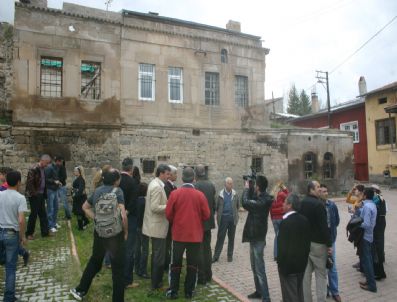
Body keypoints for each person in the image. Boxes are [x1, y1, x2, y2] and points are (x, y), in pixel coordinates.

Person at [70, 169, 128, 301]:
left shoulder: (97, 191)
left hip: (100, 233)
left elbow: (85, 207)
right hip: (115, 235)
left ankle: (80, 290)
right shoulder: (118, 192)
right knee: (118, 269)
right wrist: (126, 232)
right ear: (116, 180)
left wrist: (96, 218)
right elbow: (123, 216)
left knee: (95, 261)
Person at [165, 167, 210, 299]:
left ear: (182, 178)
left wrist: (177, 221)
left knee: (175, 263)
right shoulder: (200, 195)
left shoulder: (175, 194)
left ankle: (173, 290)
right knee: (192, 264)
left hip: (179, 235)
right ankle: (189, 291)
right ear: (194, 179)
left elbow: (168, 214)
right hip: (195, 236)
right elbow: (207, 214)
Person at [242, 175, 273, 302]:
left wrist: (245, 188)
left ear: (258, 187)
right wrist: (251, 186)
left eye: (255, 185)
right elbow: (251, 198)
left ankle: (266, 297)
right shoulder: (261, 197)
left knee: (259, 269)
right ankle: (259, 291)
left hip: (258, 238)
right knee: (254, 267)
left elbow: (245, 202)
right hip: (253, 236)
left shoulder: (263, 201)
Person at [299, 180, 332, 302]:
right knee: (320, 275)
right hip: (318, 245)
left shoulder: (302, 203)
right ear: (311, 190)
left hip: (305, 244)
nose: (319, 189)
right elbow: (324, 227)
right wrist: (329, 244)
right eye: (317, 187)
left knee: (306, 277)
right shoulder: (319, 205)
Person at [142, 164, 171, 293]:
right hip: (157, 226)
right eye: (167, 174)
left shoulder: (155, 184)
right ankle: (156, 284)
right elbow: (154, 207)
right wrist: (169, 206)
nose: (169, 176)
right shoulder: (157, 187)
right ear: (161, 174)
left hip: (155, 225)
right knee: (158, 257)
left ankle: (156, 282)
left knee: (157, 255)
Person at [0, 170, 28, 302]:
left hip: (0, 230)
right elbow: (21, 220)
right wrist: (22, 237)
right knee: (10, 267)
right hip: (12, 234)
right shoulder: (20, 198)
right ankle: (8, 297)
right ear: (18, 182)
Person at [277, 194, 310, 302]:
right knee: (299, 293)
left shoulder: (285, 223)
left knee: (290, 296)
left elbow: (282, 248)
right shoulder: (304, 220)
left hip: (288, 269)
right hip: (301, 265)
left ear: (290, 205)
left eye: (285, 202)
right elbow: (307, 244)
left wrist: (281, 266)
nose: (282, 204)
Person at [194, 164, 216, 285]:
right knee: (207, 248)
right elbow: (213, 204)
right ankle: (208, 275)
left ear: (196, 173)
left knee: (200, 250)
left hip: (199, 222)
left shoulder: (195, 186)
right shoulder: (211, 185)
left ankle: (201, 276)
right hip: (209, 221)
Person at [319, 184, 341, 302]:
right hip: (319, 242)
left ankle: (335, 291)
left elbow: (336, 221)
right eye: (322, 191)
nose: (325, 193)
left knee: (332, 266)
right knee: (321, 267)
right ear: (318, 193)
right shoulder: (316, 206)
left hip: (330, 240)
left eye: (326, 191)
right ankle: (325, 289)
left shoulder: (332, 205)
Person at [120, 158, 140, 289]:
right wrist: (125, 214)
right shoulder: (133, 182)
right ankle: (127, 280)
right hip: (130, 218)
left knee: (118, 248)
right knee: (129, 250)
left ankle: (118, 276)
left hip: (116, 217)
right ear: (131, 168)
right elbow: (133, 203)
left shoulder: (116, 180)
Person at [213, 177, 240, 263]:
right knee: (220, 238)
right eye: (229, 183)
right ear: (225, 184)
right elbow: (217, 207)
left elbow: (238, 206)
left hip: (232, 218)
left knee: (231, 238)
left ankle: (230, 255)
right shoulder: (220, 194)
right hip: (223, 218)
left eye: (231, 183)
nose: (230, 185)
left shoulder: (235, 194)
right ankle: (216, 256)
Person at [25, 154, 51, 239]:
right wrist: (35, 194)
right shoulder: (33, 169)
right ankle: (29, 233)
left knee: (43, 213)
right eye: (46, 163)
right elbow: (30, 184)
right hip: (34, 195)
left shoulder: (43, 169)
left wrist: (43, 194)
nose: (47, 165)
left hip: (41, 194)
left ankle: (45, 232)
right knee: (34, 214)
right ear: (42, 161)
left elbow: (43, 182)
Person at [358, 187, 377, 293]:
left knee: (367, 261)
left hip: (365, 236)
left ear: (365, 195)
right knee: (367, 260)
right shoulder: (373, 205)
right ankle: (369, 281)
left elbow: (366, 224)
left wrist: (356, 224)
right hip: (370, 236)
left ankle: (372, 285)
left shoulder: (367, 206)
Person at [164, 165, 177, 272]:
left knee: (169, 242)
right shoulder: (167, 187)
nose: (177, 175)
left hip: (173, 220)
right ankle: (166, 262)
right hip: (168, 219)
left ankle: (168, 260)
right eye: (175, 173)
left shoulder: (174, 187)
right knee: (167, 242)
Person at [270, 181, 288, 261]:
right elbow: (289, 198)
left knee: (277, 235)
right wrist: (285, 189)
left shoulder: (271, 196)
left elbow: (270, 209)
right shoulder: (282, 194)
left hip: (274, 218)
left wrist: (272, 218)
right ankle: (279, 254)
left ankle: (276, 254)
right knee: (282, 236)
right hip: (281, 217)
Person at [371, 184, 387, 280]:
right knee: (379, 246)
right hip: (380, 224)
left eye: (374, 190)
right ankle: (379, 270)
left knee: (378, 247)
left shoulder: (378, 199)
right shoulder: (379, 199)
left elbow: (381, 212)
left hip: (379, 225)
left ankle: (380, 273)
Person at [135, 182, 149, 279]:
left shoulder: (135, 201)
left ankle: (136, 268)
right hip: (143, 227)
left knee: (137, 248)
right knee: (145, 249)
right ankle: (142, 270)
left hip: (136, 226)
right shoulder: (145, 202)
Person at [72, 166, 89, 230]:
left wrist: (74, 194)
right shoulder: (77, 178)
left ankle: (80, 227)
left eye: (76, 171)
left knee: (79, 213)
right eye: (74, 171)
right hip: (78, 198)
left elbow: (80, 190)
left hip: (80, 199)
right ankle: (86, 221)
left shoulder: (81, 179)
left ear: (79, 172)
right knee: (79, 213)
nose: (74, 172)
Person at [55, 156, 71, 220]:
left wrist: (58, 181)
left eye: (56, 161)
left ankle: (68, 216)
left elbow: (64, 177)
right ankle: (56, 216)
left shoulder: (62, 167)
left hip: (62, 187)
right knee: (57, 202)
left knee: (64, 202)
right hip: (57, 186)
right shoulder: (57, 167)